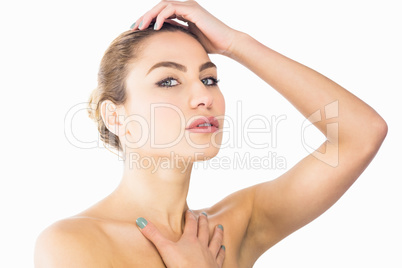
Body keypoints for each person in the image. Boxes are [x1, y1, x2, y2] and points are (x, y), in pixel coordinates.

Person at [34, 0, 387, 267]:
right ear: (115, 115)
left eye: (209, 78)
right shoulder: (72, 243)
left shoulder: (232, 227)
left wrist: (235, 43)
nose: (204, 96)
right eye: (168, 80)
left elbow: (361, 133)